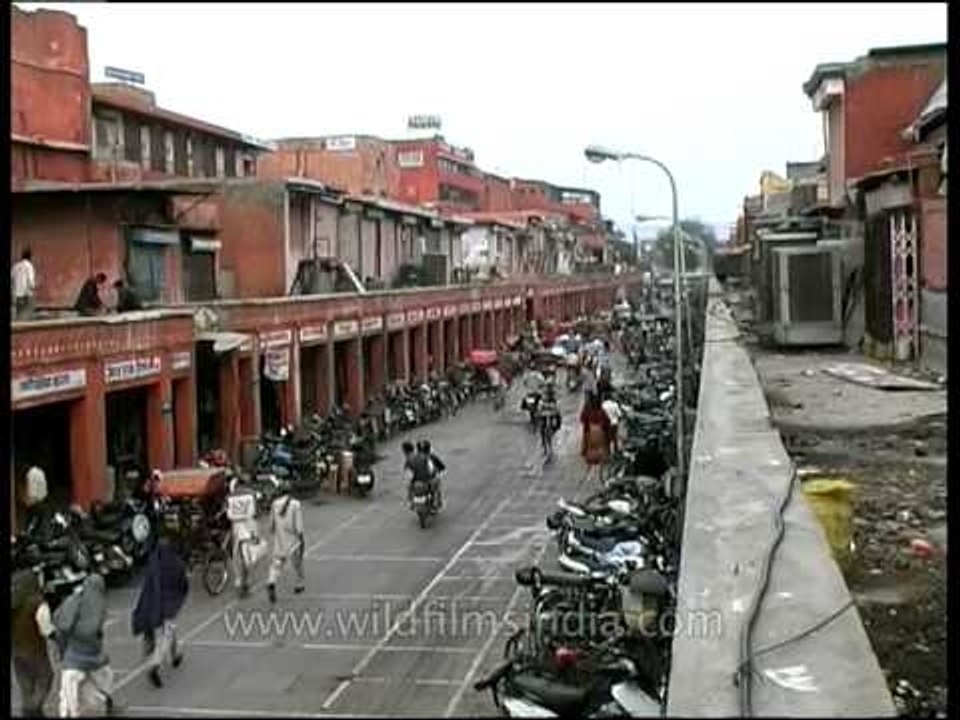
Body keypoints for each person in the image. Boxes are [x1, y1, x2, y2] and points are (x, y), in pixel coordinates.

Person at [53, 573, 116, 717]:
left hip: (74, 656)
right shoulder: (101, 605)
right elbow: (98, 633)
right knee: (91, 683)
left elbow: (61, 624)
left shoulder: (76, 601)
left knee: (67, 693)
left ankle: (71, 713)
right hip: (94, 656)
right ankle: (102, 699)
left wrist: (60, 648)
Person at [131, 535, 188, 689]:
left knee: (158, 633)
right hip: (168, 606)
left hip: (151, 604)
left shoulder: (153, 563)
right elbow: (183, 584)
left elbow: (148, 585)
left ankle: (175, 656)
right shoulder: (176, 564)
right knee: (167, 635)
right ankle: (154, 665)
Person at [12, 569, 56, 717]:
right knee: (46, 678)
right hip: (35, 650)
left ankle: (29, 709)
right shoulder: (37, 603)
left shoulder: (13, 604)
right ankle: (33, 709)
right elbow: (46, 629)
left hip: (17, 651)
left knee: (25, 685)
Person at [266, 480, 305, 604]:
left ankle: (271, 582)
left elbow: (271, 525)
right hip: (293, 541)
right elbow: (298, 527)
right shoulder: (295, 504)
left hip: (280, 541)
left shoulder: (274, 504)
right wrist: (302, 539)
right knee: (297, 564)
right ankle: (299, 584)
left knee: (276, 565)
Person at [580, 393, 613, 485]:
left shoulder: (587, 410)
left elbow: (582, 419)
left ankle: (591, 467)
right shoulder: (602, 412)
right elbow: (607, 423)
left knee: (590, 449)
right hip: (601, 434)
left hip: (589, 433)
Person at [402, 441, 436, 510]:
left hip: (416, 481)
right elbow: (431, 469)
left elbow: (408, 474)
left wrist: (411, 481)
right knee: (433, 487)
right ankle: (433, 504)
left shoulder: (408, 460)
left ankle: (412, 503)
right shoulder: (423, 457)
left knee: (409, 488)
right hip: (426, 479)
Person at [416, 439, 445, 509]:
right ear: (429, 449)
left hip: (418, 481)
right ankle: (438, 502)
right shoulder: (432, 456)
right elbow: (442, 467)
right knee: (438, 485)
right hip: (431, 480)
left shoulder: (415, 458)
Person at [12, 248, 37, 320]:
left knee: (19, 314)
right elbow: (30, 281)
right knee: (28, 314)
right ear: (30, 257)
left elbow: (12, 278)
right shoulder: (29, 266)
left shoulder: (16, 266)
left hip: (17, 295)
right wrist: (34, 287)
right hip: (27, 294)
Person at [538, 383, 562, 458]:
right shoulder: (543, 397)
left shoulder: (554, 398)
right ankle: (544, 446)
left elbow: (557, 408)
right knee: (542, 429)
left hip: (551, 415)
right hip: (544, 415)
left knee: (557, 422)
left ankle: (547, 445)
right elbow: (540, 407)